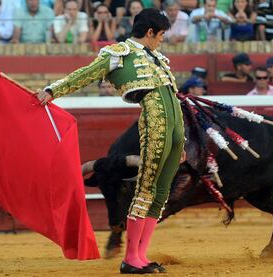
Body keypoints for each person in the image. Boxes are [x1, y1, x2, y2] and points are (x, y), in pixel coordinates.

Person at [36, 8, 184, 274]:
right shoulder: (118, 53)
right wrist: (52, 90)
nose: (162, 39)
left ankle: (142, 255)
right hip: (156, 121)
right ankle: (131, 259)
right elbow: (86, 73)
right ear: (150, 32)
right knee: (146, 188)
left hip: (175, 127)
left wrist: (181, 141)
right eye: (161, 34)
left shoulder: (158, 58)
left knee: (161, 193)